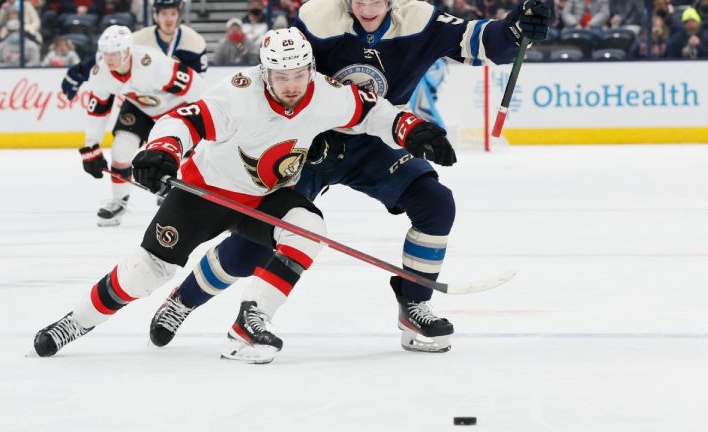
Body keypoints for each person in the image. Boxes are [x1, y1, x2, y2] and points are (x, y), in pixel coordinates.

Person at [147, 0, 549, 355]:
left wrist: (515, 29)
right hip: (308, 140)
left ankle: (414, 305)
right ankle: (184, 299)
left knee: (435, 204)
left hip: (377, 132)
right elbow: (279, 77)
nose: (368, 9)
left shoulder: (420, 19)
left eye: (377, 1)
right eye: (359, 0)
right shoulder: (318, 18)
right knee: (253, 244)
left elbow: (482, 42)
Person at [33, 27, 455, 364]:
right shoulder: (239, 93)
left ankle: (249, 323)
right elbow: (187, 119)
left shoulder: (325, 92)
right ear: (263, 72)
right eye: (280, 76)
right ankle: (75, 322)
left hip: (266, 197)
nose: (291, 86)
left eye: (298, 75)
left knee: (308, 229)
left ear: (310, 69)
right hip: (206, 191)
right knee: (148, 272)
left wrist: (411, 129)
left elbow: (372, 112)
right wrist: (161, 150)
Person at [62, 0, 208, 226]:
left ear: (128, 51)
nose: (110, 59)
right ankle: (119, 202)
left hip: (174, 108)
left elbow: (195, 86)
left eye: (115, 53)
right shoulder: (101, 72)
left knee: (183, 154)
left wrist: (200, 120)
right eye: (106, 53)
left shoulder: (153, 65)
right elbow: (98, 109)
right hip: (139, 107)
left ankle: (182, 199)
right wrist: (90, 146)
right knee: (120, 147)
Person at [60, 0, 208, 102]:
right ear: (156, 16)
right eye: (164, 14)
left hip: (178, 103)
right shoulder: (139, 38)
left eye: (173, 14)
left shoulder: (194, 42)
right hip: (145, 102)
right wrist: (81, 70)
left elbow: (198, 83)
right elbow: (111, 51)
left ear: (179, 15)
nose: (168, 19)